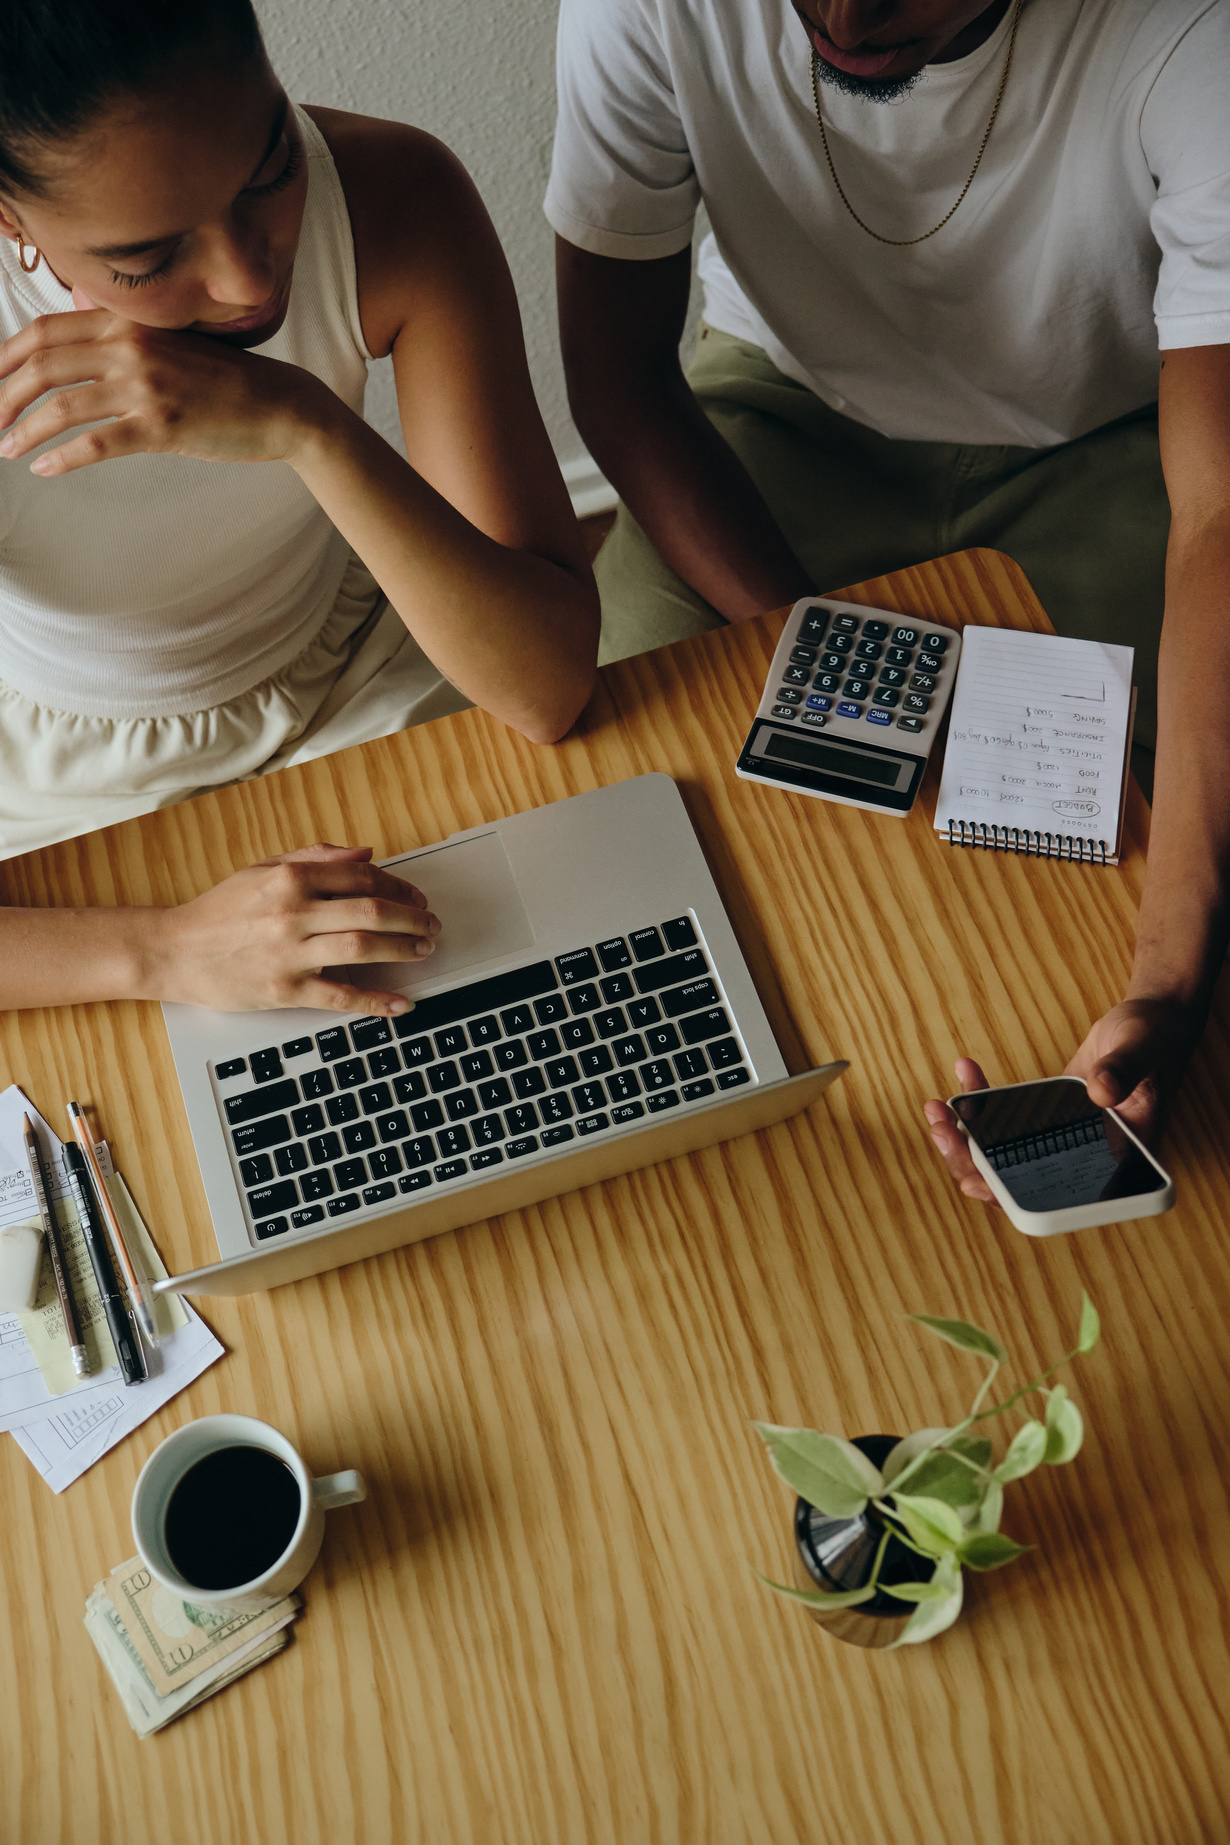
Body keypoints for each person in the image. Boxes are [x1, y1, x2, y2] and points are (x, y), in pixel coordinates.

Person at [546, 0, 1230, 1160]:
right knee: (608, 782)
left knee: (1152, 862)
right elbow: (618, 379)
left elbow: (1218, 513)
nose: (852, 14)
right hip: (781, 414)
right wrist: (846, 655)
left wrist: (1166, 984)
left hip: (1112, 444)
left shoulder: (1195, 31)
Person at [0, 0, 599, 1017]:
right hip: (56, 779)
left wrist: (305, 425)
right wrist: (165, 952)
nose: (245, 278)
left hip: (357, 675)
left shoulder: (392, 194)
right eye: (147, 259)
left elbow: (546, 688)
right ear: (10, 220)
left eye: (271, 169)